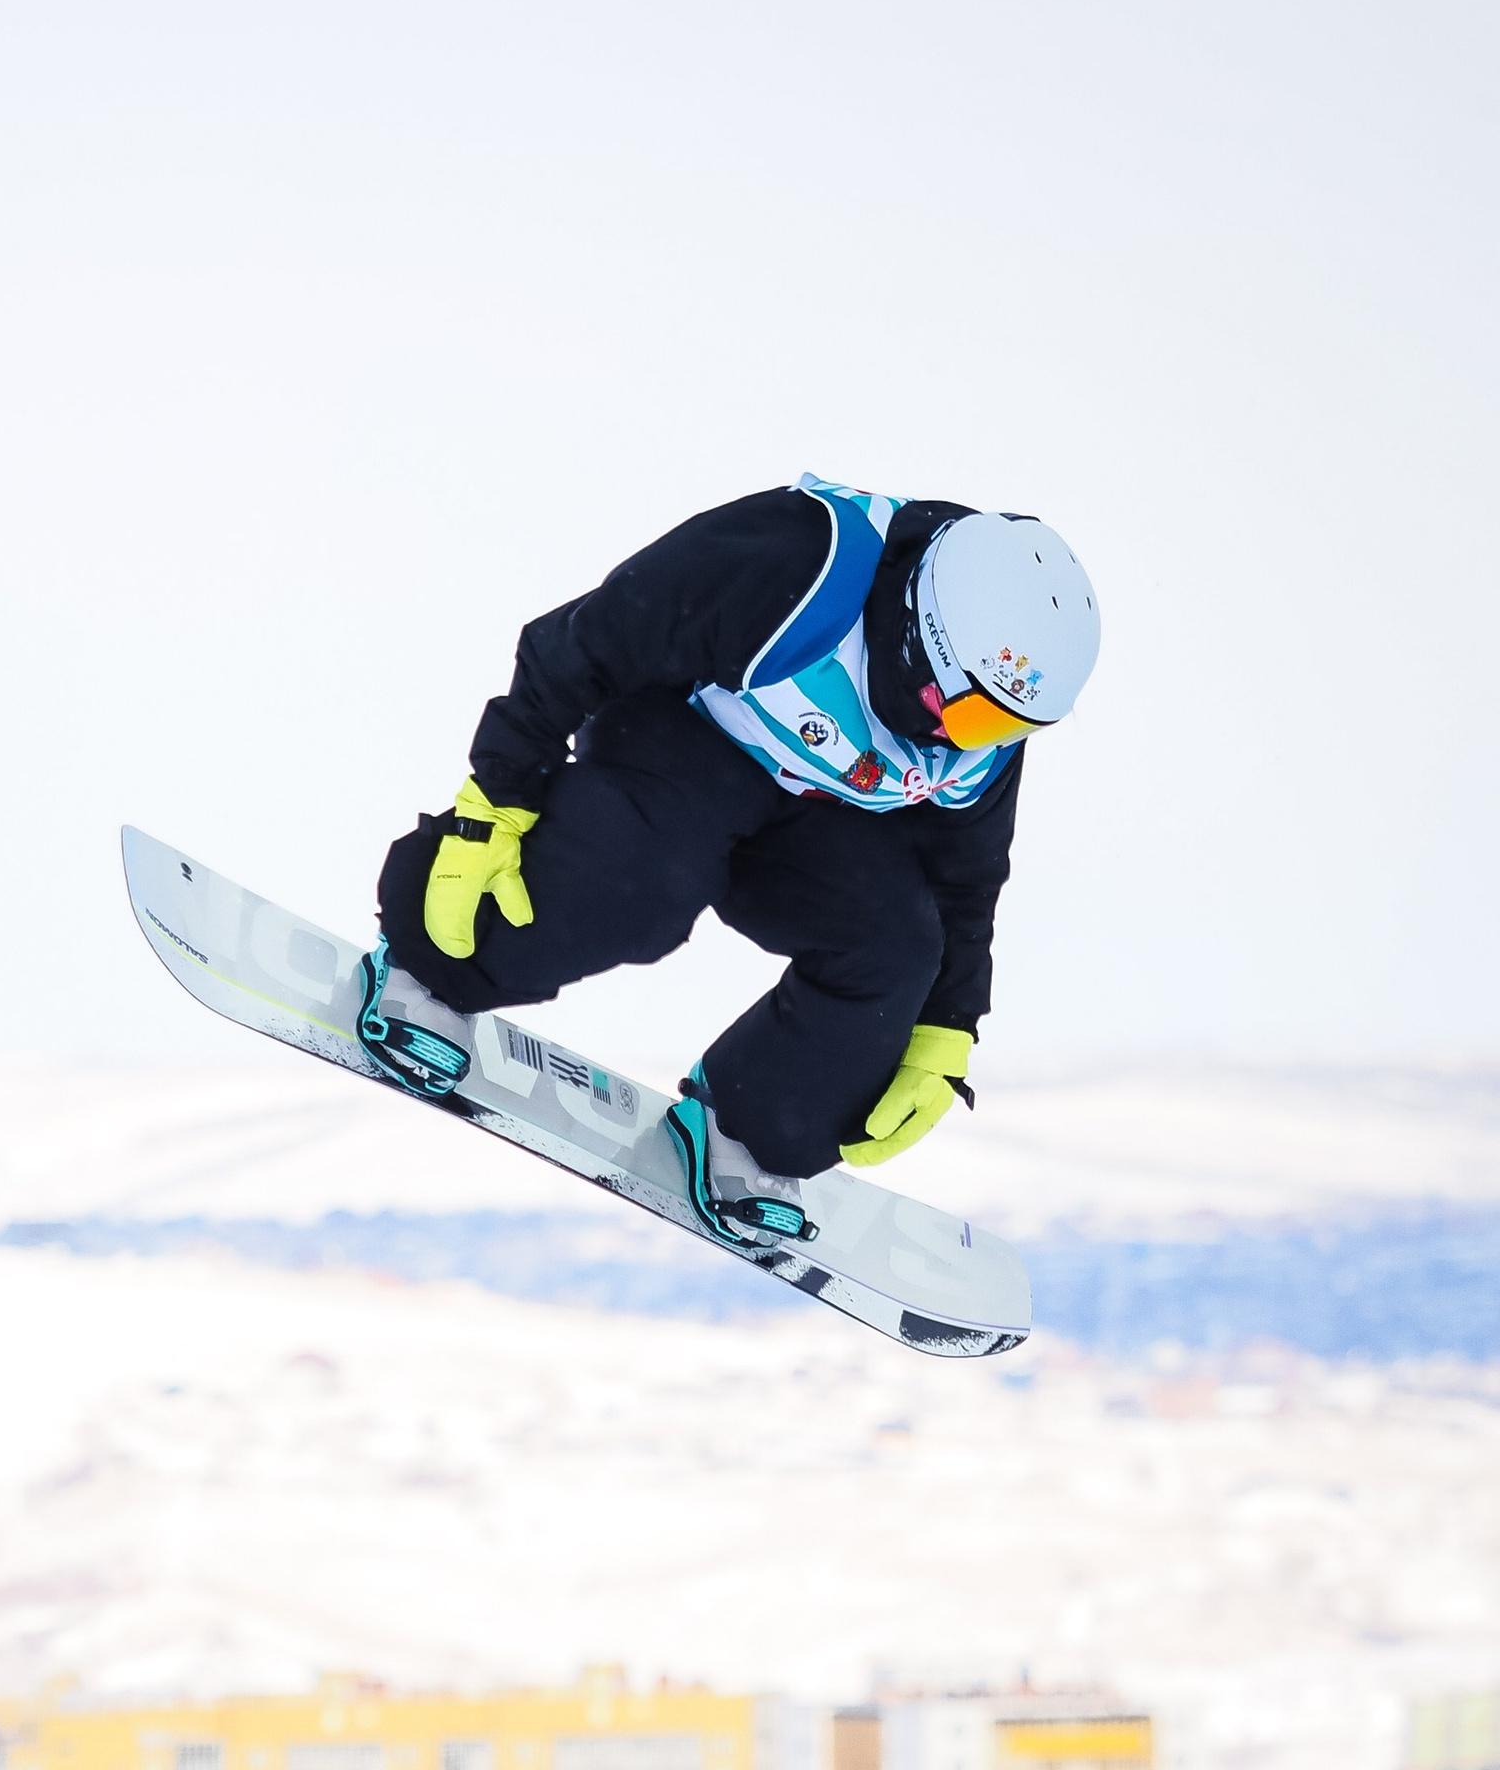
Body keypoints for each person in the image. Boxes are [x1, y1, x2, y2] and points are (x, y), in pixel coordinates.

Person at [372, 476, 1099, 1247]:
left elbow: (965, 881)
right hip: (681, 739)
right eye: (974, 713)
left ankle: (750, 1129)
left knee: (899, 949)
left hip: (813, 814)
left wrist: (949, 1024)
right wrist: (495, 803)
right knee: (642, 884)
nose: (969, 739)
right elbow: (582, 643)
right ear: (921, 636)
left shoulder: (980, 733)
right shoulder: (801, 562)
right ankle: (434, 972)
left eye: (1006, 725)